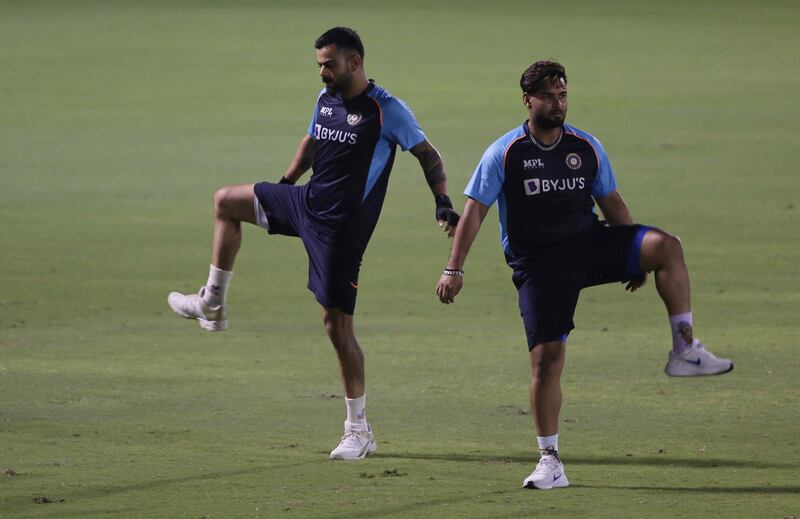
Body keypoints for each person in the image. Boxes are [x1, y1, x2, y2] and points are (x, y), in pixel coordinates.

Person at [435, 60, 732, 489]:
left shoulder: (586, 147)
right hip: (538, 265)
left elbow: (610, 201)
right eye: (549, 96)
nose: (558, 103)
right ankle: (549, 460)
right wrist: (453, 268)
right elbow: (474, 212)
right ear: (528, 100)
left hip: (589, 245)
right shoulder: (505, 152)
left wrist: (635, 255)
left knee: (667, 246)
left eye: (563, 95)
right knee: (547, 361)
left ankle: (685, 349)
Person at [168, 27, 459, 461]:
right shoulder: (326, 99)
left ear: (355, 63)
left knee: (336, 326)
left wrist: (442, 203)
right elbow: (311, 143)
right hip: (305, 203)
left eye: (329, 64)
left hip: (339, 233)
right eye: (319, 64)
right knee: (227, 202)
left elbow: (428, 153)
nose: (322, 71)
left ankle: (358, 430)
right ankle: (212, 303)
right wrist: (283, 186)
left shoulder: (387, 110)